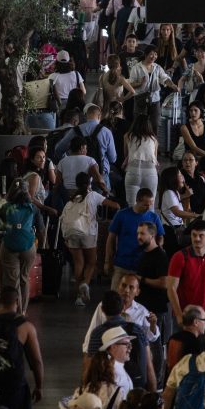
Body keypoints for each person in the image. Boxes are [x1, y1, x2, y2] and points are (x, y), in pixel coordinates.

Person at [83, 281, 159, 391]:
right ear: (122, 308)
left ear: (102, 310)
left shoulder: (98, 333)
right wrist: (153, 395)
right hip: (137, 390)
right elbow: (149, 366)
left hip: (107, 391)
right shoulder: (138, 330)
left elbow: (90, 365)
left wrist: (84, 388)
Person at [63, 172, 120, 306]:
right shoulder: (93, 195)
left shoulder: (72, 198)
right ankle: (85, 284)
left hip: (72, 232)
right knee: (91, 262)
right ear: (89, 184)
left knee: (78, 263)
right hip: (88, 232)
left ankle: (78, 296)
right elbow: (115, 206)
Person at [0, 180, 42, 315]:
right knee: (24, 278)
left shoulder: (5, 208)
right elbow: (40, 229)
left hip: (9, 245)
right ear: (27, 192)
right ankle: (23, 311)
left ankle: (14, 311)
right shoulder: (33, 208)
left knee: (12, 280)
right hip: (28, 246)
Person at [135, 222, 173, 386]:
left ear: (152, 235)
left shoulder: (160, 256)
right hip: (143, 308)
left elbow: (164, 283)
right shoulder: (143, 254)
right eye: (138, 233)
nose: (139, 237)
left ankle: (157, 383)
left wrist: (141, 280)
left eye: (142, 234)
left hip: (157, 309)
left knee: (156, 348)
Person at [167, 220, 205, 329]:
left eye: (201, 235)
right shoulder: (180, 257)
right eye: (194, 235)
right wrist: (179, 315)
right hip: (186, 315)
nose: (197, 239)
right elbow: (171, 288)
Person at [106, 189, 165, 291]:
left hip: (142, 267)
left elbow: (160, 237)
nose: (148, 208)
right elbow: (111, 238)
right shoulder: (122, 215)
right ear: (137, 201)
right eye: (145, 205)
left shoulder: (154, 217)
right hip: (122, 264)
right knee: (116, 296)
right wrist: (108, 261)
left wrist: (157, 250)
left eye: (150, 205)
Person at [123, 113, 160, 208]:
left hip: (132, 171)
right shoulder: (153, 139)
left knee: (131, 206)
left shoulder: (128, 136)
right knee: (149, 206)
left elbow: (126, 155)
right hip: (150, 173)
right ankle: (148, 223)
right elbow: (155, 159)